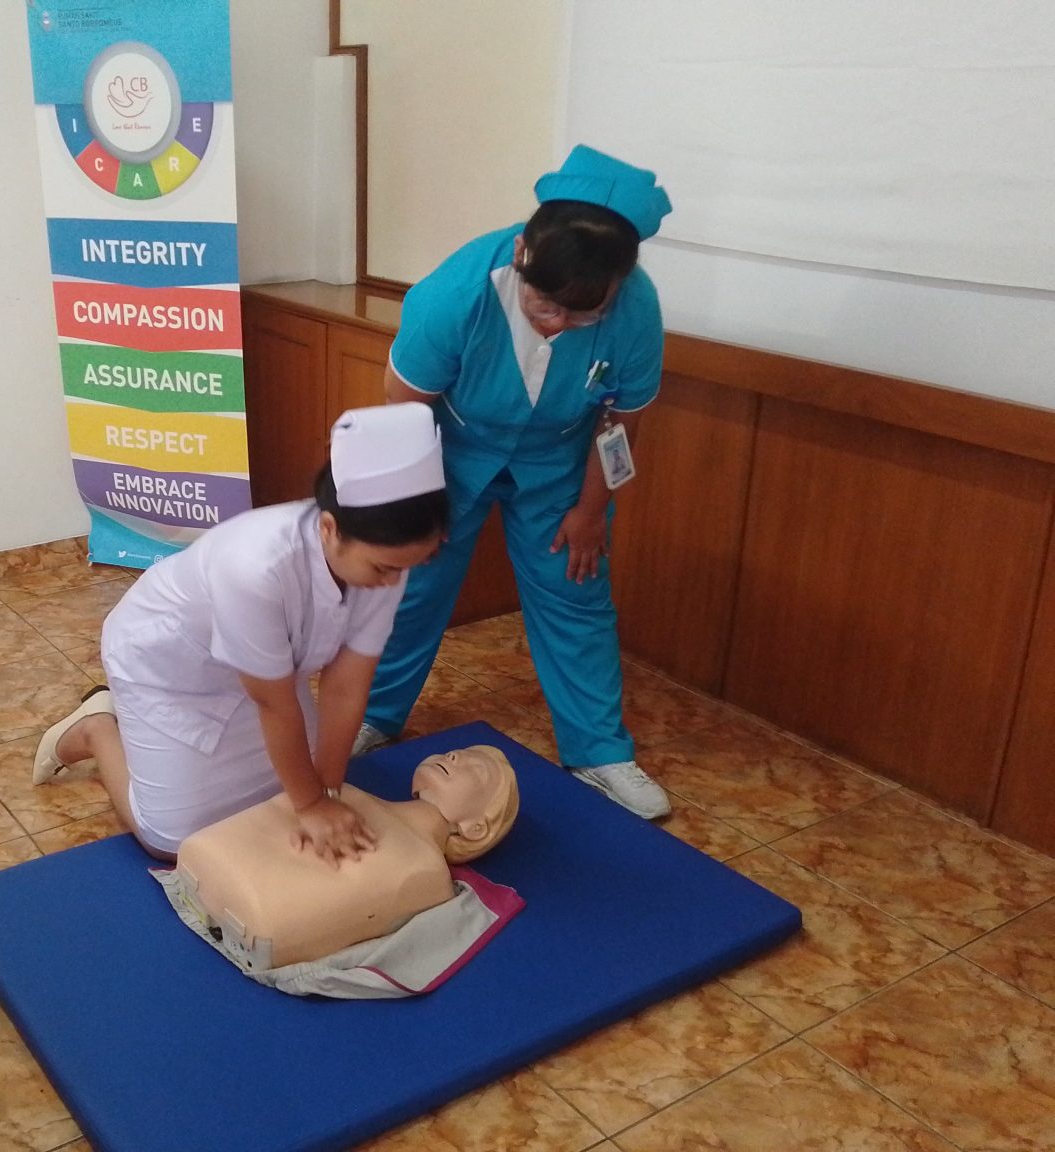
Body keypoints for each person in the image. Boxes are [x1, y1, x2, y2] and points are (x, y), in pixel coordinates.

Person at [354, 145, 674, 820]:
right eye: (543, 302)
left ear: (618, 286)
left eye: (582, 315)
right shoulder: (458, 292)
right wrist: (419, 505)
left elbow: (620, 422)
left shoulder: (636, 310)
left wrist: (591, 510)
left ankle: (598, 751)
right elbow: (403, 406)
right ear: (524, 250)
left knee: (576, 589)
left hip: (560, 459)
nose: (556, 322)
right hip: (446, 449)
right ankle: (374, 714)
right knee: (412, 583)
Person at [33, 403, 449, 862]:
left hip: (269, 667)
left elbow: (346, 685)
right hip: (170, 665)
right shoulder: (256, 565)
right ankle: (97, 728)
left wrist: (329, 791)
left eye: (407, 567)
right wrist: (310, 805)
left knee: (286, 794)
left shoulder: (387, 560)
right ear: (330, 529)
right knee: (173, 843)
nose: (393, 582)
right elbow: (274, 704)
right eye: (384, 568)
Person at [173, 744, 519, 970]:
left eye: (476, 770)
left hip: (249, 916)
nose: (454, 757)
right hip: (217, 873)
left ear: (476, 828)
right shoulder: (345, 795)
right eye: (455, 753)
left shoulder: (425, 870)